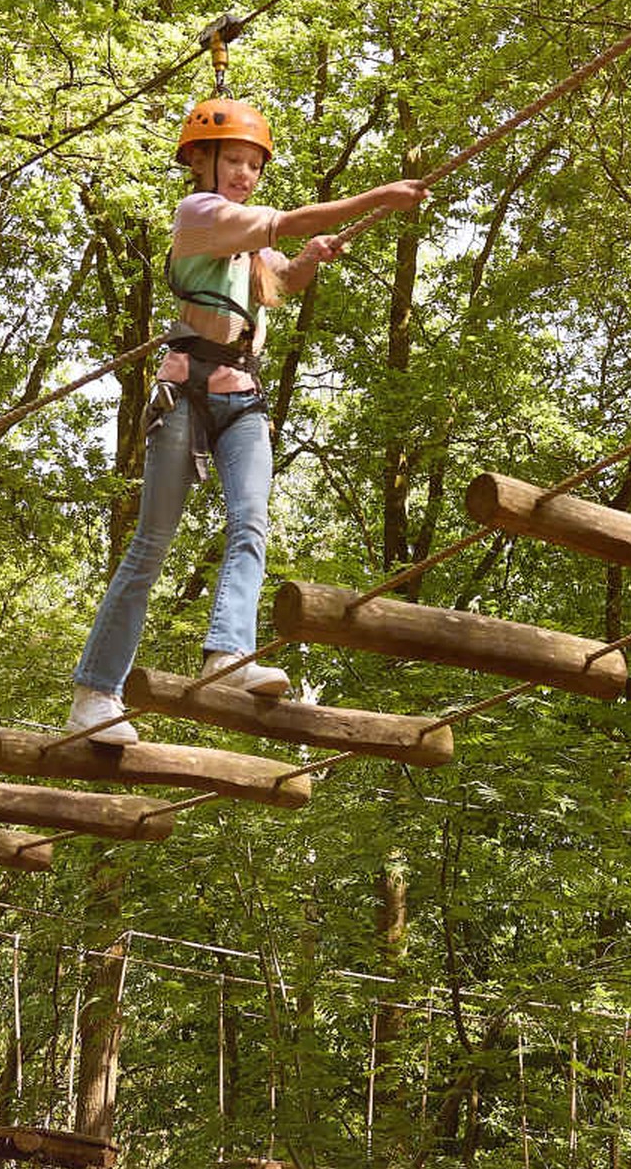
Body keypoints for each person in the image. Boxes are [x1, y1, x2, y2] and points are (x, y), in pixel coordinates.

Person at [67, 98, 424, 743]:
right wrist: (375, 197)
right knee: (151, 548)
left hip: (242, 397)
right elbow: (283, 223)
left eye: (254, 164)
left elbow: (277, 279)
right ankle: (95, 693)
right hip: (188, 391)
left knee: (252, 522)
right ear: (201, 162)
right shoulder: (200, 215)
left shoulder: (240, 243)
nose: (244, 173)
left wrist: (312, 258)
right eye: (233, 159)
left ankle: (227, 655)